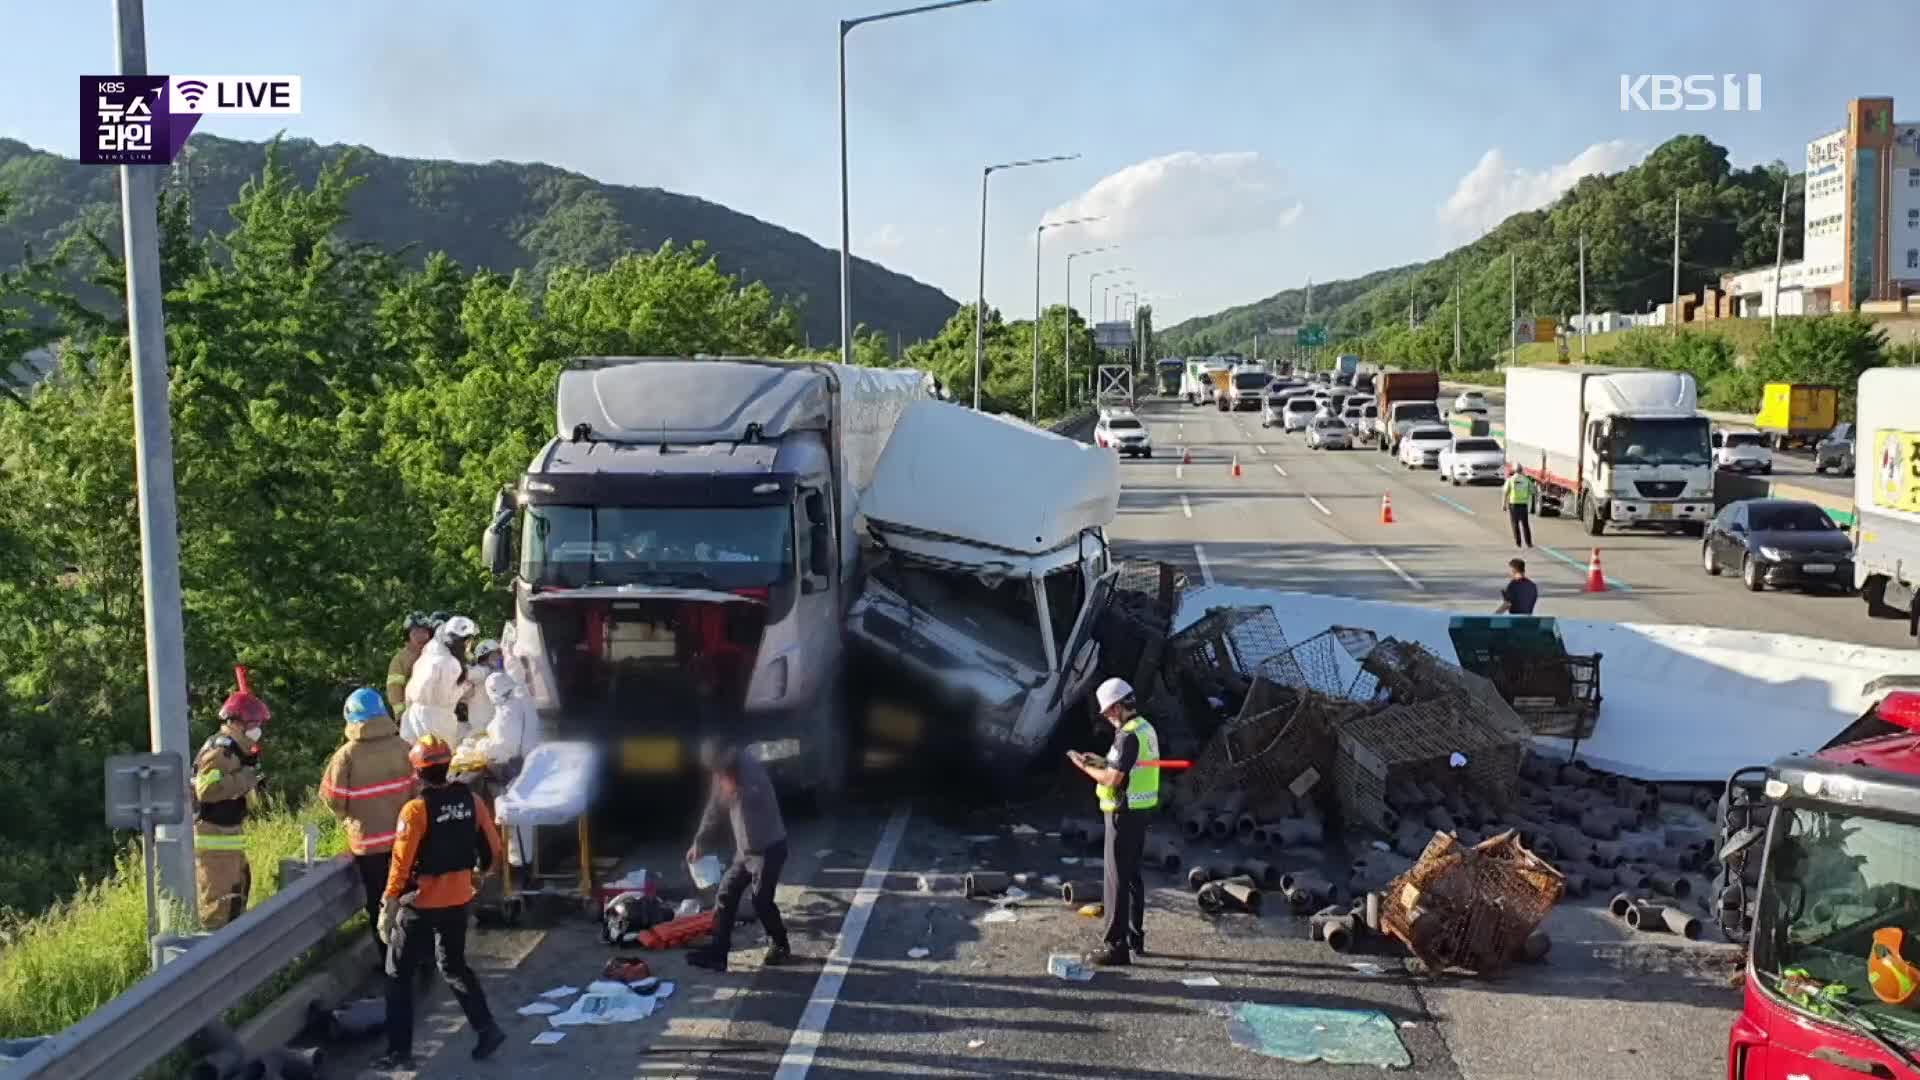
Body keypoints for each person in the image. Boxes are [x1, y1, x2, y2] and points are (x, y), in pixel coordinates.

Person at [374, 735, 507, 1070]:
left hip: (420, 905)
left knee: (397, 975)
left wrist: (389, 904)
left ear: (417, 772)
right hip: (458, 899)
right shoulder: (472, 801)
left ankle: (399, 1052)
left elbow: (401, 865)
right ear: (448, 765)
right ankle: (487, 1028)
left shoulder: (415, 810)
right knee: (453, 966)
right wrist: (479, 876)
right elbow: (493, 849)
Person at [1068, 677, 1161, 967]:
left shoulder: (1126, 736)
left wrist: (1084, 766)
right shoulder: (1145, 728)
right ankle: (1135, 937)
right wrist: (1100, 760)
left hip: (1123, 812)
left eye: (1109, 710)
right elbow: (1124, 765)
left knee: (1115, 880)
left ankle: (1115, 947)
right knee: (1131, 876)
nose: (1107, 716)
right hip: (1140, 809)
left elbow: (1113, 778)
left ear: (1121, 706)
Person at [320, 688, 416, 963]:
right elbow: (418, 791)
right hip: (404, 840)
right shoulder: (404, 748)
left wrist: (350, 817)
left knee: (378, 901)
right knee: (408, 897)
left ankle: (389, 959)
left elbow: (332, 798)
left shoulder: (346, 756)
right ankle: (416, 955)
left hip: (368, 843)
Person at [684, 739, 791, 973]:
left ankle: (780, 944)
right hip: (746, 852)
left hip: (769, 848)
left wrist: (736, 788)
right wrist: (699, 843)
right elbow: (713, 808)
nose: (719, 774)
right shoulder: (723, 773)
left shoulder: (750, 771)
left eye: (721, 769)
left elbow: (754, 796)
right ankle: (719, 953)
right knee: (726, 893)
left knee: (761, 900)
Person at [191, 682, 270, 929]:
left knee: (237, 896)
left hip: (227, 839)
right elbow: (206, 789)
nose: (257, 730)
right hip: (214, 842)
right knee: (220, 907)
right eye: (254, 724)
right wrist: (245, 779)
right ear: (237, 723)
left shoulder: (236, 751)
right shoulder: (221, 751)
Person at [402, 615, 478, 747]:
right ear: (463, 641)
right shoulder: (450, 663)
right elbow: (444, 698)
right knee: (438, 761)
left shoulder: (430, 653)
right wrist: (463, 689)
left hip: (413, 715)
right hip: (436, 721)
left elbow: (412, 688)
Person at [386, 612, 433, 718]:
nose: (420, 636)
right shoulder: (400, 660)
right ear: (408, 635)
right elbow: (394, 689)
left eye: (424, 632)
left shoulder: (436, 654)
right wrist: (401, 715)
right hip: (412, 716)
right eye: (415, 632)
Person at [462, 639, 505, 738]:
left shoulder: (497, 673)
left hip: (493, 727)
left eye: (499, 654)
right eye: (495, 655)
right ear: (484, 658)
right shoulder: (482, 671)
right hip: (481, 730)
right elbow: (464, 673)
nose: (499, 657)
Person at [1502, 465, 1535, 549]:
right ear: (1521, 470)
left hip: (1513, 504)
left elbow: (1505, 492)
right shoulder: (1526, 480)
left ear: (1515, 471)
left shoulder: (1511, 479)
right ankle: (1529, 543)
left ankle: (1518, 543)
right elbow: (1533, 491)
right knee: (1525, 524)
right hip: (1523, 504)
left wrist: (1504, 504)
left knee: (1515, 524)